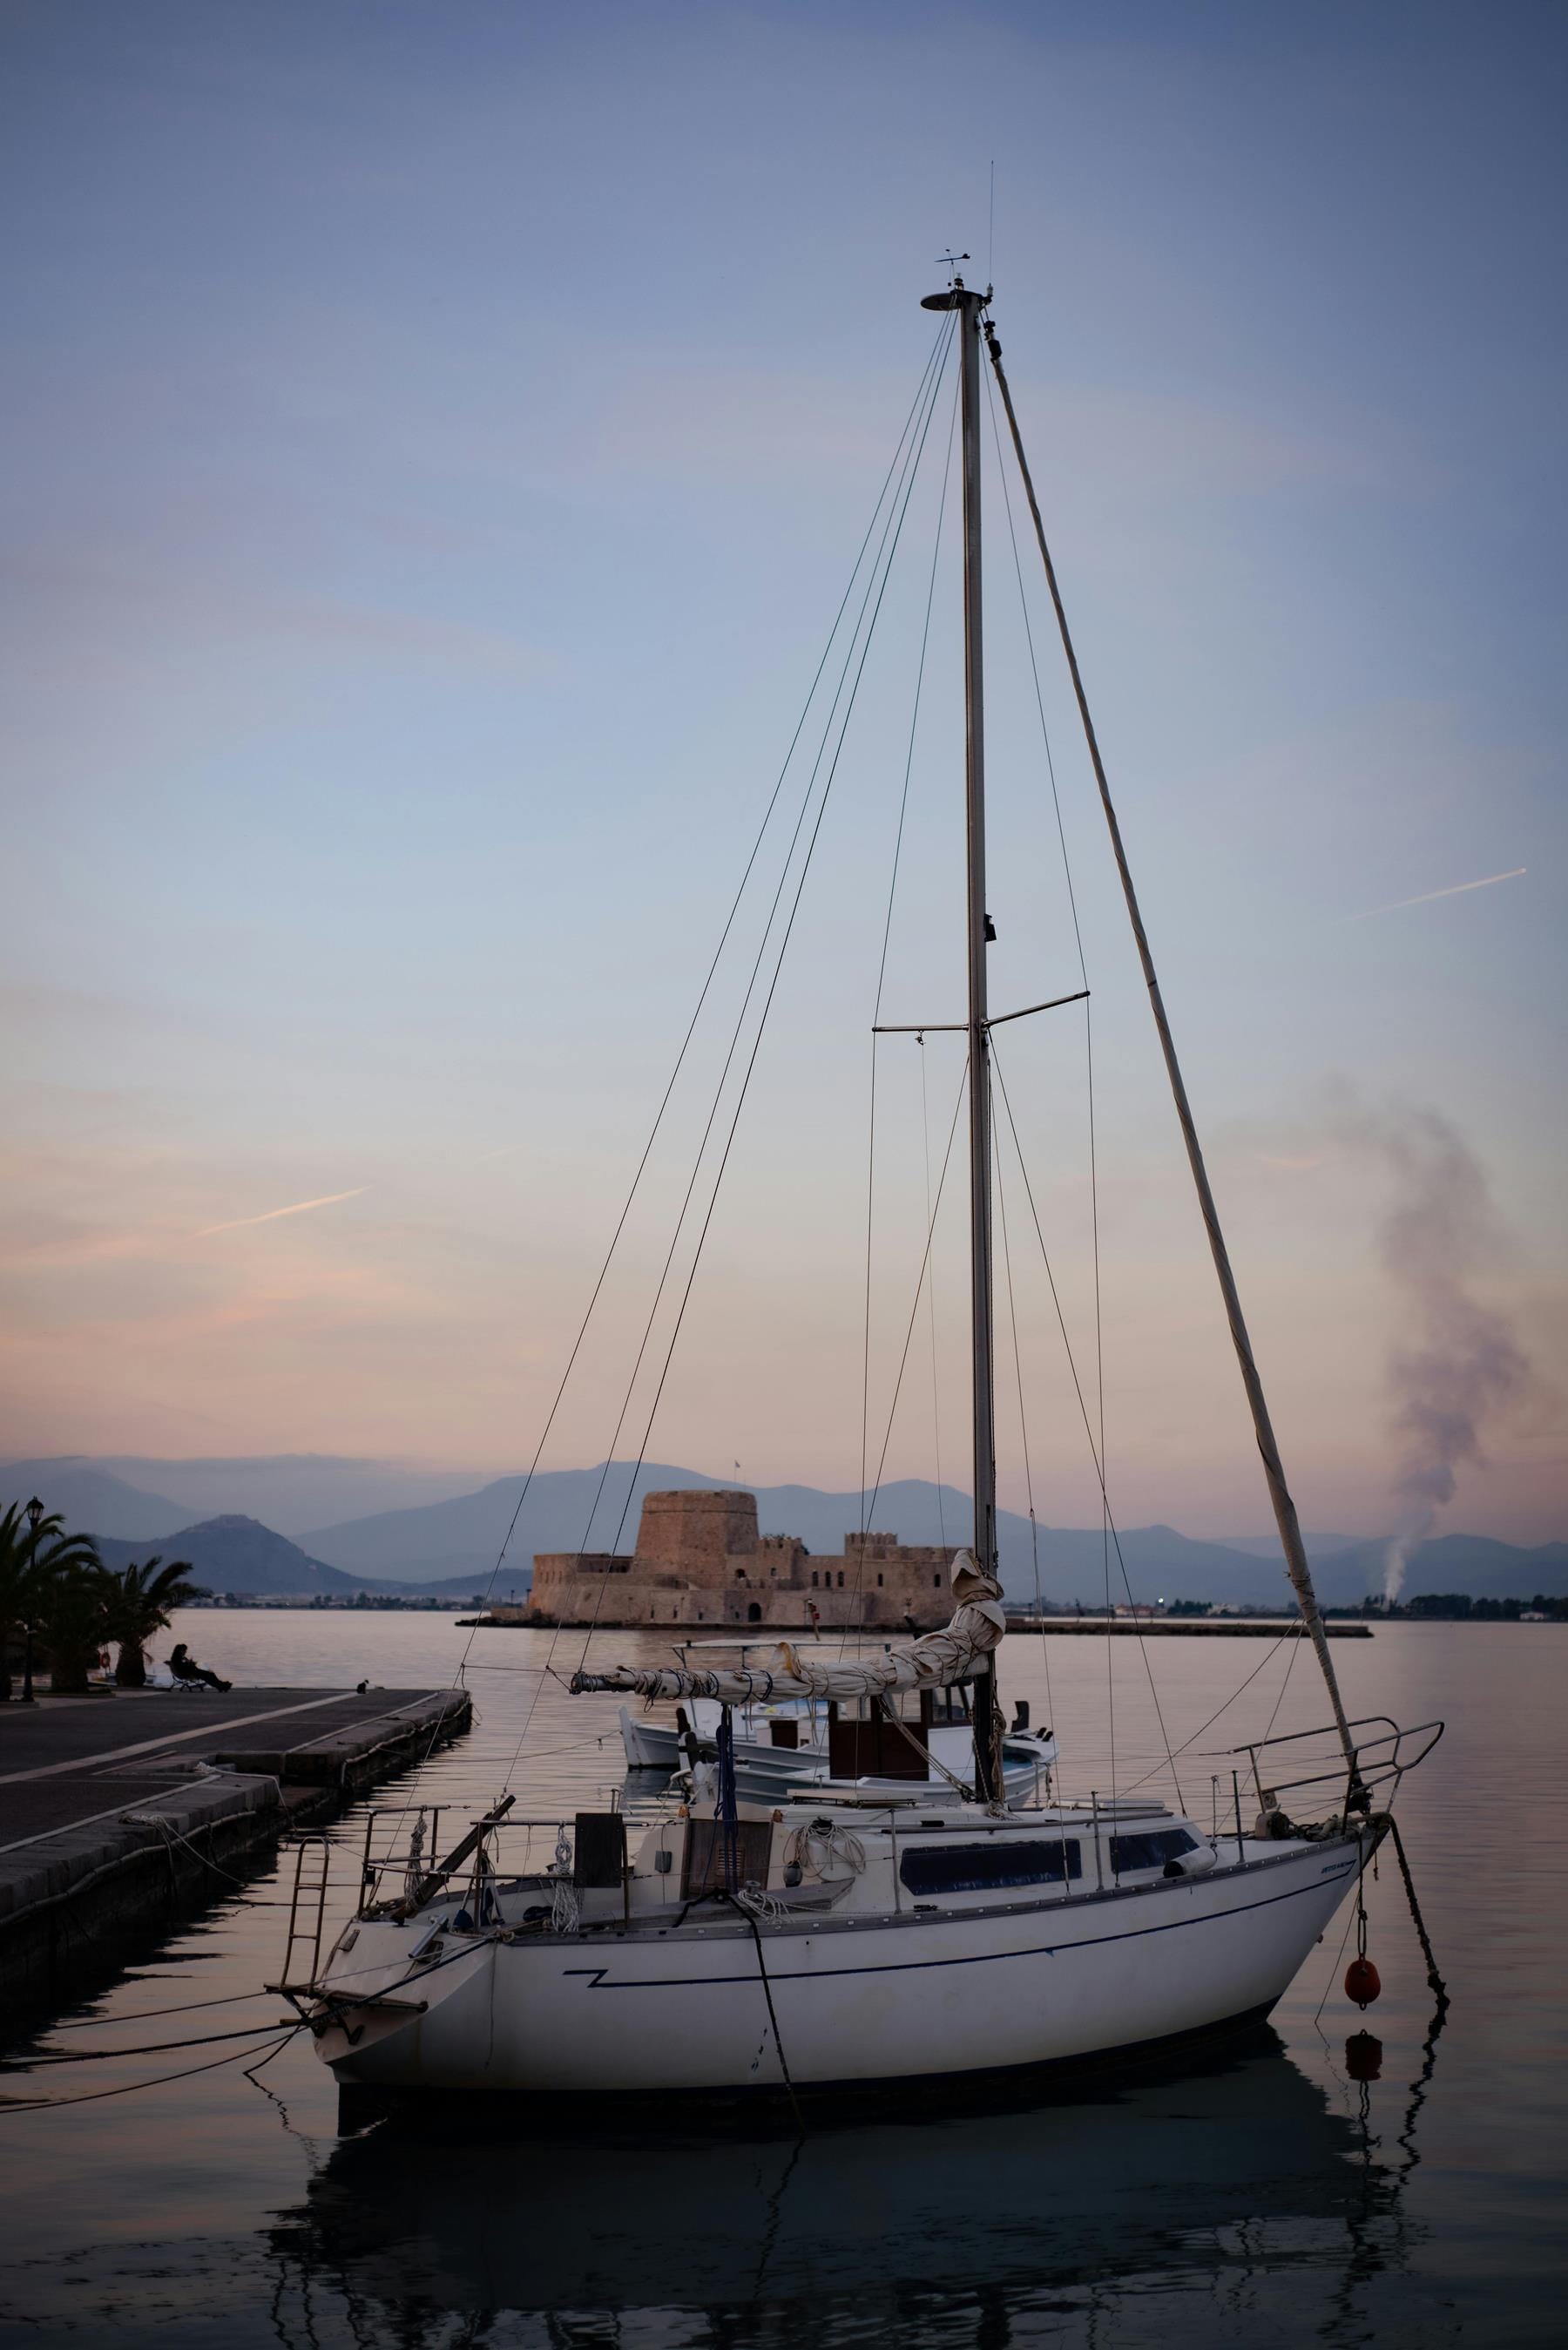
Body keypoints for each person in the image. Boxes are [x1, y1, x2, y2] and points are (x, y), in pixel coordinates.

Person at [167, 1642, 232, 1693]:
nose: (185, 1652)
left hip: (192, 1671)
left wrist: (189, 1663)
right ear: (180, 1650)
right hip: (188, 1673)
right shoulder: (176, 1658)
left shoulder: (178, 1657)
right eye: (184, 1650)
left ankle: (221, 1685)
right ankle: (221, 1686)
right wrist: (190, 1663)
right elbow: (182, 1668)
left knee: (210, 1674)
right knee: (208, 1676)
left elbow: (183, 1666)